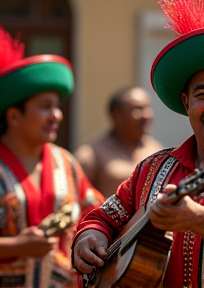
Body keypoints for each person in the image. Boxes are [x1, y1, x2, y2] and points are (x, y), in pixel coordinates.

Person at [71, 0, 204, 287]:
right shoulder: (151, 168)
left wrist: (197, 218)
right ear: (187, 104)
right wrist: (89, 237)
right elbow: (103, 217)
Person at [0, 27, 105, 288]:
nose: (56, 115)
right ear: (13, 116)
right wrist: (16, 246)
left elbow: (95, 216)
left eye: (57, 106)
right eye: (45, 106)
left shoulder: (66, 163)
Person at [74, 85, 163, 198]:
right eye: (138, 109)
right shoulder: (91, 154)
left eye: (148, 108)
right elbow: (76, 200)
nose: (146, 115)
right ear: (117, 114)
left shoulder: (156, 151)